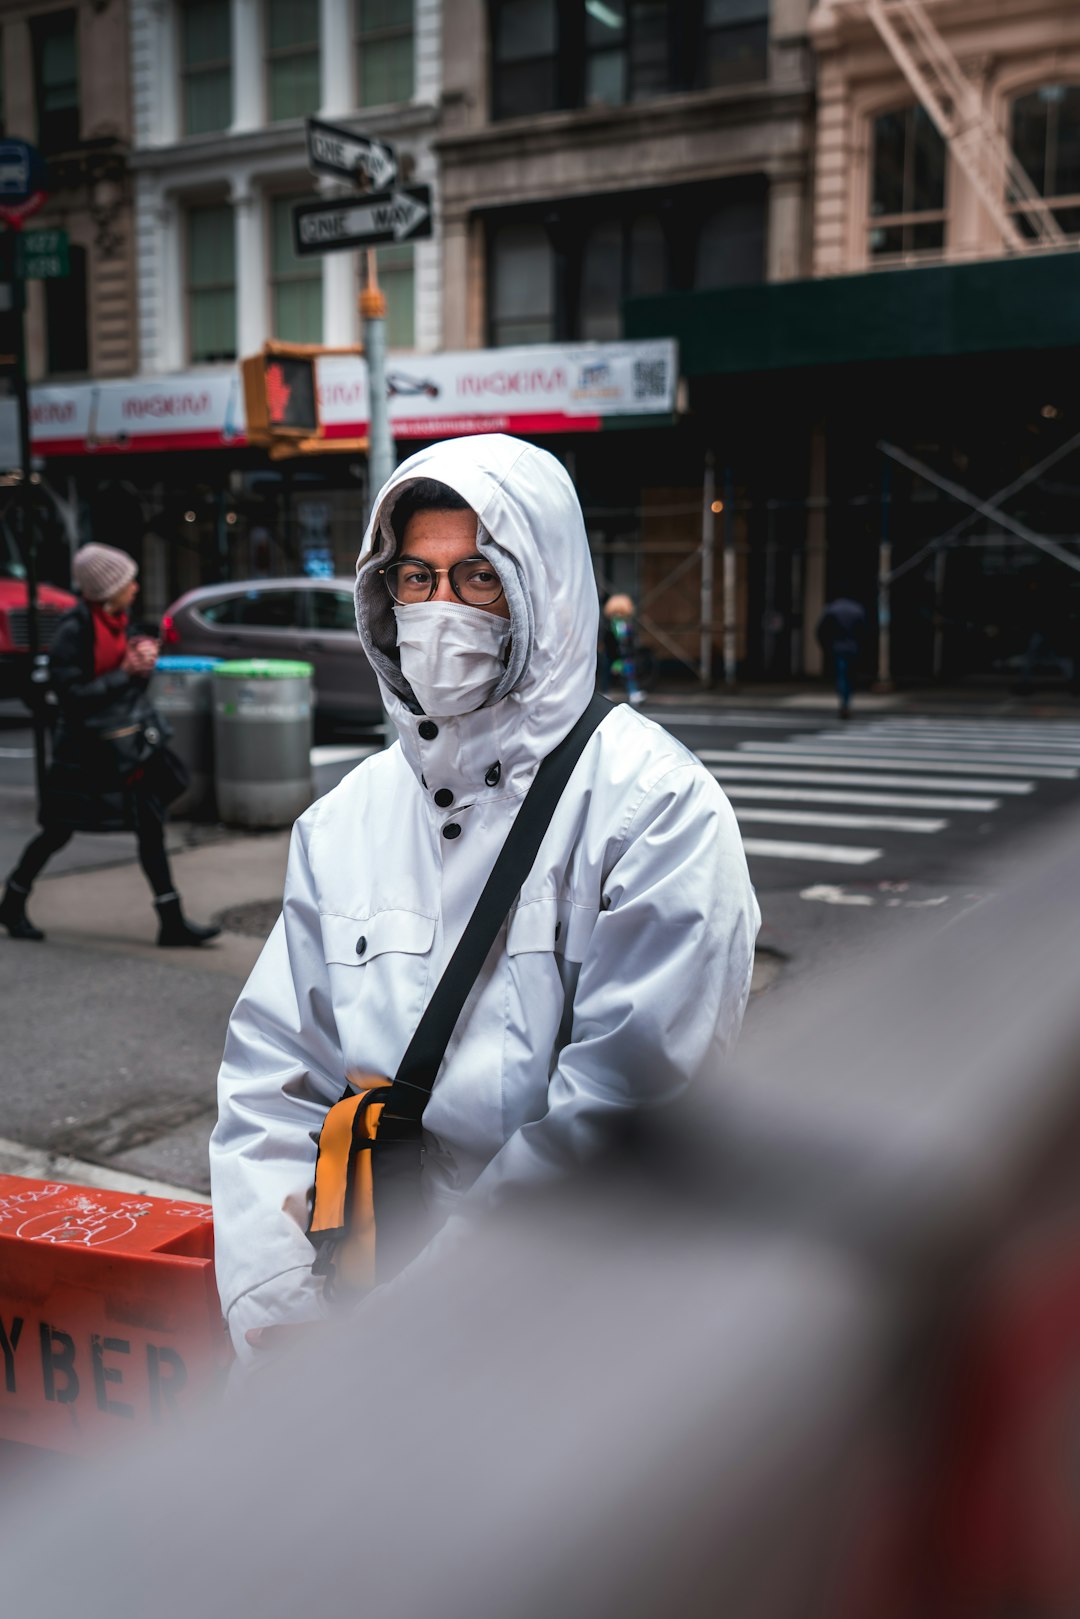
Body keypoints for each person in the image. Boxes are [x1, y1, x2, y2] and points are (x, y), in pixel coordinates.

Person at [210, 435, 759, 1363]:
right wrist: (272, 1300)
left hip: (565, 1351)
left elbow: (621, 1113)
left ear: (541, 589)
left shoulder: (652, 807)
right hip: (342, 1337)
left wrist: (408, 1333)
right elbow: (272, 1076)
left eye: (478, 577)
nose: (439, 610)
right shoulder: (346, 819)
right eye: (415, 580)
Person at [0, 542, 220, 947]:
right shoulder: (75, 629)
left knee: (149, 825)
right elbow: (69, 696)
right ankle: (13, 901)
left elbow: (124, 685)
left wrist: (140, 661)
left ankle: (171, 921)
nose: (135, 588)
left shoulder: (117, 620)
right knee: (57, 831)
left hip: (123, 749)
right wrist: (124, 672)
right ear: (107, 588)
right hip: (85, 755)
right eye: (127, 581)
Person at [816, 594, 867, 719]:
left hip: (838, 647)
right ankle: (846, 701)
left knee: (842, 676)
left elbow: (821, 630)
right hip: (853, 647)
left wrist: (826, 646)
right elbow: (864, 630)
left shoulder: (832, 609)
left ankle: (844, 702)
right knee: (850, 676)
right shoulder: (857, 609)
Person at [601, 591, 646, 705]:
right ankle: (606, 692)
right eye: (616, 612)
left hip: (625, 655)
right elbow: (608, 641)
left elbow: (629, 641)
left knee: (629, 673)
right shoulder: (611, 626)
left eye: (621, 612)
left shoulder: (626, 625)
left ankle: (633, 692)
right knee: (608, 673)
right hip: (613, 654)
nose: (618, 615)